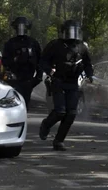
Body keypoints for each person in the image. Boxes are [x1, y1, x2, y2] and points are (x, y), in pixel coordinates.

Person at [39, 20, 94, 151]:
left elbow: (87, 63)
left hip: (73, 83)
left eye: (74, 31)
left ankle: (59, 141)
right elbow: (43, 61)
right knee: (60, 111)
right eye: (69, 31)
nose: (72, 34)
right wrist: (49, 70)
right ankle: (46, 125)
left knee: (71, 113)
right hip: (58, 81)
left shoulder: (82, 47)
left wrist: (90, 75)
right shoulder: (55, 45)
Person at [2, 16, 43, 110]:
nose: (21, 29)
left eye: (23, 26)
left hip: (28, 79)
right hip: (14, 79)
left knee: (25, 103)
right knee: (15, 104)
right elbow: (5, 61)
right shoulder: (11, 43)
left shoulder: (33, 43)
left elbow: (40, 61)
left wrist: (38, 77)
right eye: (19, 26)